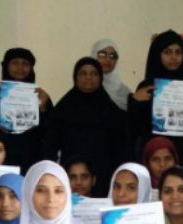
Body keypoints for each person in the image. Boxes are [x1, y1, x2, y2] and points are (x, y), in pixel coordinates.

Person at [45, 57, 126, 195]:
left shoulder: (112, 112)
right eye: (83, 73)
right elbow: (50, 144)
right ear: (75, 77)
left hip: (104, 177)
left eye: (94, 73)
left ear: (100, 78)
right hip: (72, 178)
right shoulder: (63, 110)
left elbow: (122, 146)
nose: (89, 77)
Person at [128, 30, 183, 172]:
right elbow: (135, 127)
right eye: (167, 52)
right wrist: (135, 102)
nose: (174, 57)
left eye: (178, 52)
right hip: (154, 156)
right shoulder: (147, 86)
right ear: (157, 54)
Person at [0, 47, 52, 173]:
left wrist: (44, 108)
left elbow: (50, 132)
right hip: (1, 161)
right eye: (15, 63)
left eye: (25, 64)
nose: (20, 68)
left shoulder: (40, 96)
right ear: (6, 66)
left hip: (32, 161)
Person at [91, 38, 131, 111]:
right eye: (102, 54)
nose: (108, 59)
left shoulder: (124, 91)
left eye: (112, 56)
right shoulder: (86, 86)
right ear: (94, 56)